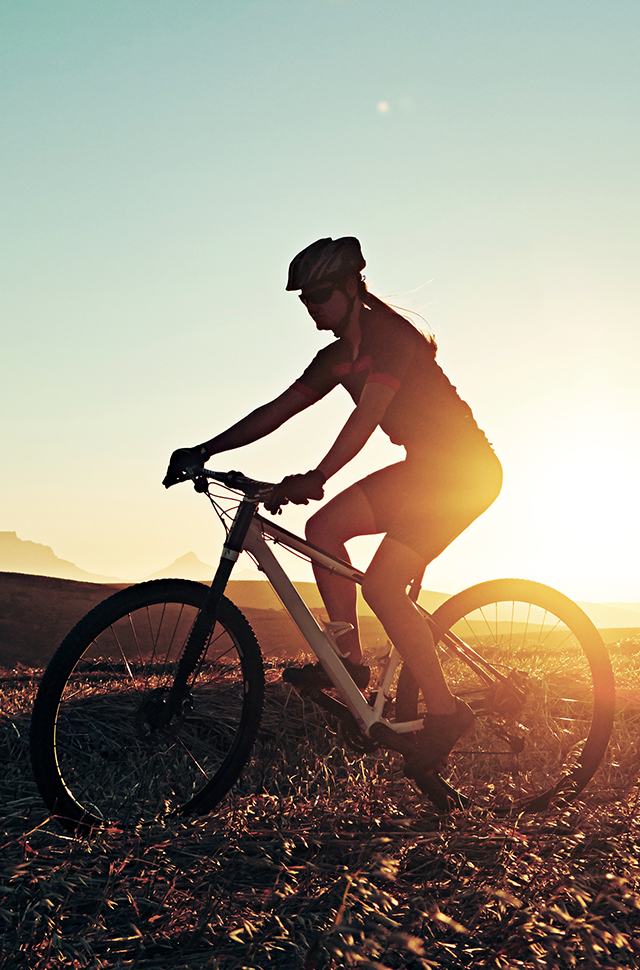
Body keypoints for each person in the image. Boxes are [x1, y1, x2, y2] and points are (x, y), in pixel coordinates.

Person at [164, 236, 501, 776]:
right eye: (304, 298)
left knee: (383, 587)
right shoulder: (337, 357)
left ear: (351, 287)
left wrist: (318, 475)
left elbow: (367, 417)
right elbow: (275, 411)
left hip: (464, 473)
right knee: (323, 528)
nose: (311, 306)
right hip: (423, 471)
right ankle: (347, 660)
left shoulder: (391, 339)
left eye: (319, 294)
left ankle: (445, 714)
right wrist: (205, 449)